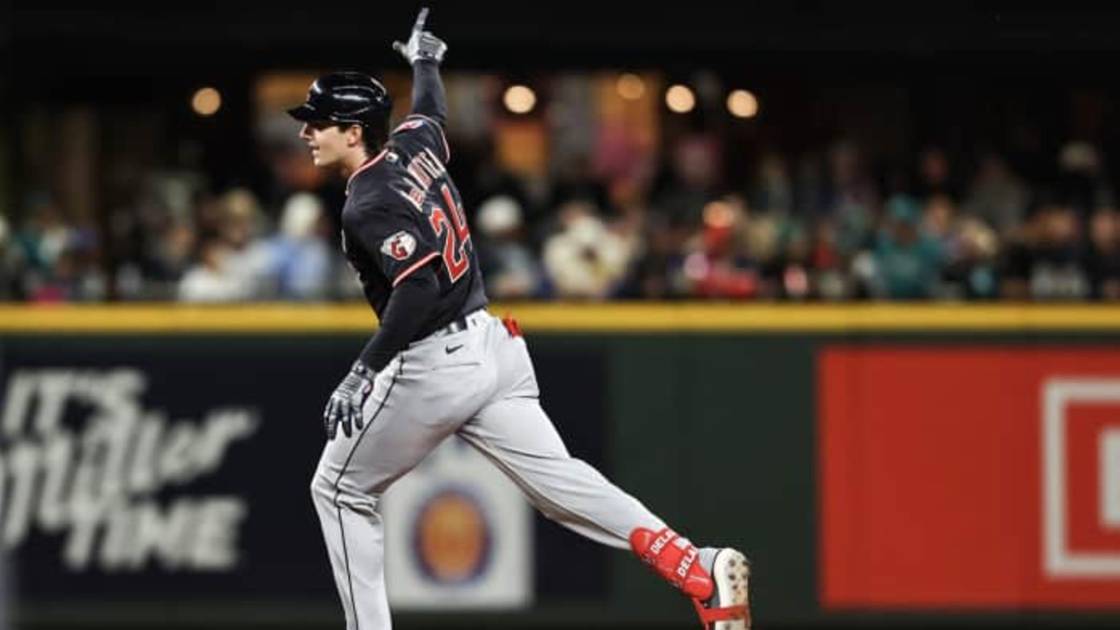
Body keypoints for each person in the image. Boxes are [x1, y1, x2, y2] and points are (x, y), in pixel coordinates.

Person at [289, 9, 750, 629]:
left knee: (338, 489)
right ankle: (695, 566)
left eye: (317, 122)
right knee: (561, 485)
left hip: (435, 363)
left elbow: (418, 288)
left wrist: (363, 370)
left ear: (352, 132)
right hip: (493, 346)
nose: (306, 132)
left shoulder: (367, 202)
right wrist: (426, 61)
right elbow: (431, 113)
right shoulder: (413, 148)